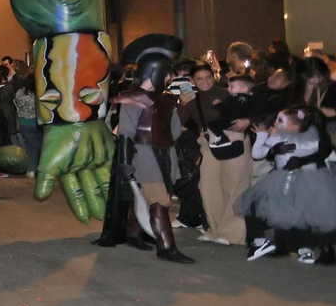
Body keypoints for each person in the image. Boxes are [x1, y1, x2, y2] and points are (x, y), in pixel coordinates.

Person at [99, 35, 192, 263]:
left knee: (144, 197)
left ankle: (133, 232)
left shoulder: (166, 98)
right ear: (157, 71)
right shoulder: (133, 99)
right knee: (159, 200)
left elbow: (176, 130)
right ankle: (167, 247)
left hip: (162, 154)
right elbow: (126, 134)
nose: (170, 76)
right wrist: (125, 163)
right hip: (144, 155)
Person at [239, 107, 336, 264]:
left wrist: (302, 161)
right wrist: (272, 148)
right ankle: (269, 242)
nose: (276, 123)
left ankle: (307, 248)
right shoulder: (278, 135)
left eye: (281, 120)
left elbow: (324, 151)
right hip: (283, 177)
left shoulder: (314, 135)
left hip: (310, 178)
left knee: (304, 213)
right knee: (264, 205)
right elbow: (261, 153)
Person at [183, 66, 251, 246]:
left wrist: (249, 120)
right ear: (192, 80)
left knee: (235, 186)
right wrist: (182, 103)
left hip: (234, 138)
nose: (205, 82)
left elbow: (254, 105)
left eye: (208, 77)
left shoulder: (225, 92)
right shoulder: (190, 97)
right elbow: (180, 123)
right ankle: (215, 229)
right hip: (209, 140)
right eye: (199, 79)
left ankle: (232, 233)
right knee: (208, 186)